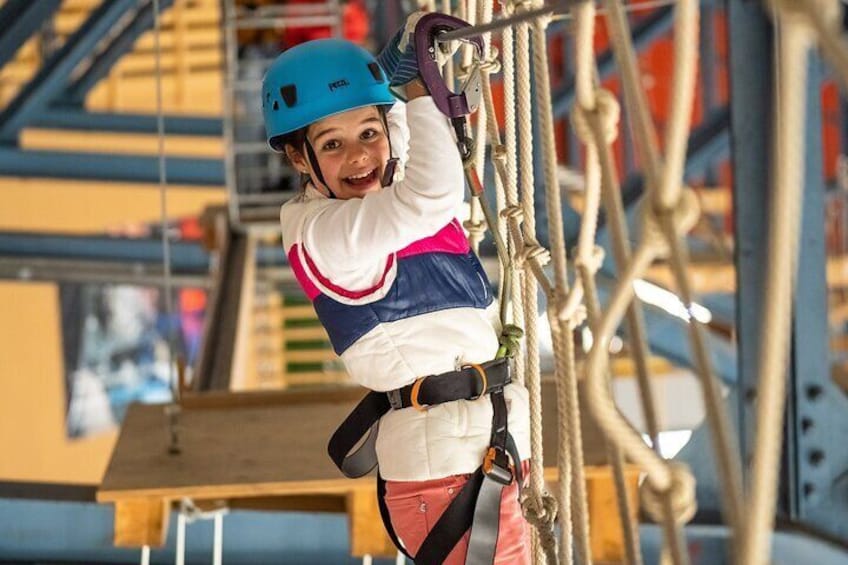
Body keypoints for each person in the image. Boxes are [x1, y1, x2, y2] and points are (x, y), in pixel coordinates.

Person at [262, 31, 531, 564]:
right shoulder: (327, 234)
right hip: (452, 478)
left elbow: (396, 148)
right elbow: (432, 194)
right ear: (299, 157)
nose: (359, 156)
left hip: (467, 459)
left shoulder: (371, 201)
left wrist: (396, 78)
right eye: (332, 145)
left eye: (368, 132)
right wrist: (421, 90)